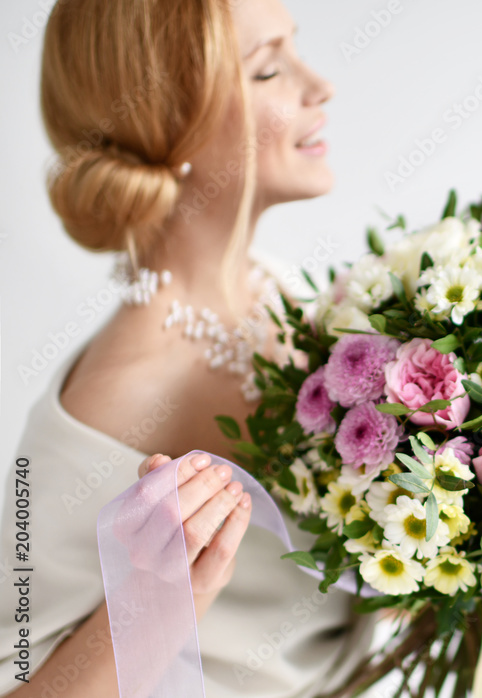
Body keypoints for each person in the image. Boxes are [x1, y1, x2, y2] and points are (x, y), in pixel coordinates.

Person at [0, 0, 377, 695]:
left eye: (296, 49)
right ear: (169, 122)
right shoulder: (123, 393)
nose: (318, 85)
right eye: (268, 69)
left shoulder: (280, 291)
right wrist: (155, 605)